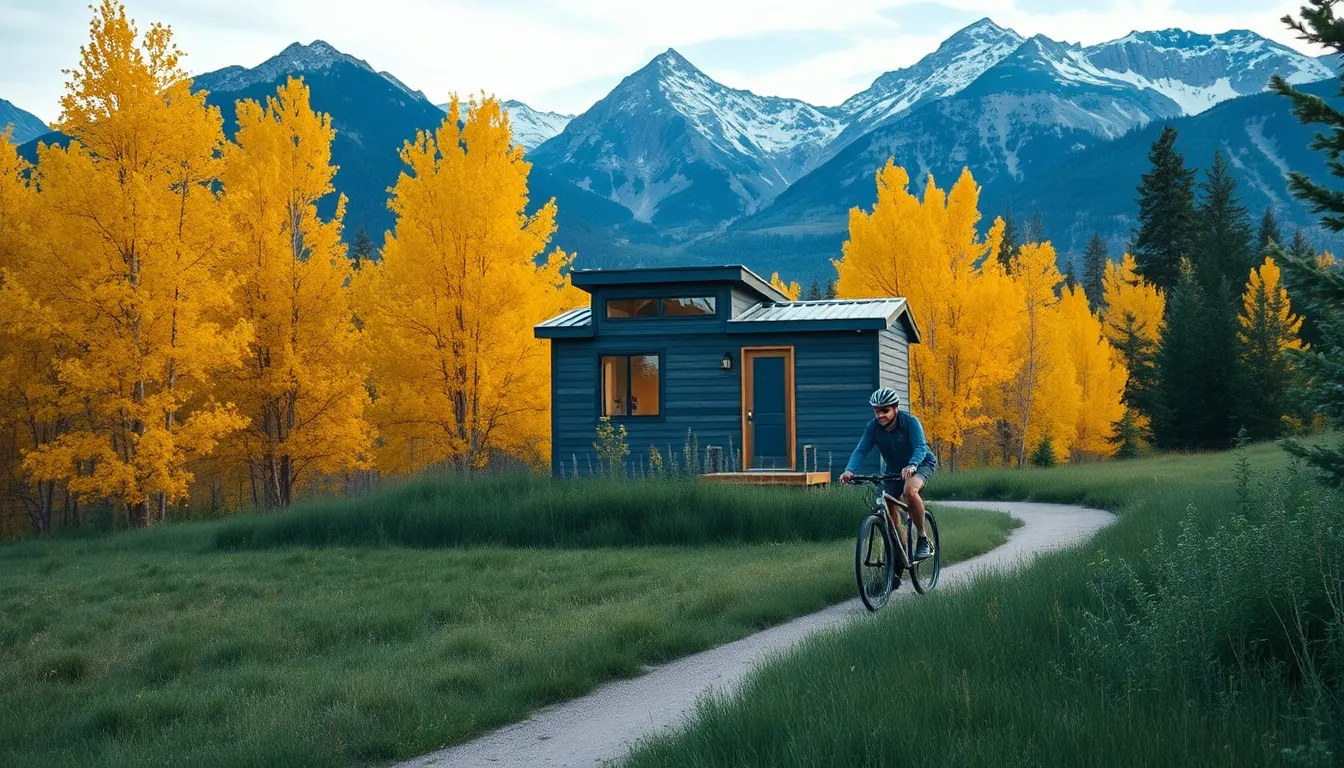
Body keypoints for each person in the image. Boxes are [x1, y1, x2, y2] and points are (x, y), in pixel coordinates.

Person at [839, 387, 937, 567]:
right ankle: (899, 557)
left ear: (895, 409)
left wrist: (913, 464)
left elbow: (920, 447)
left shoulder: (910, 422)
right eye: (877, 411)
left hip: (922, 463)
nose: (881, 415)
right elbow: (862, 449)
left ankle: (922, 538)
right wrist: (849, 470)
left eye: (885, 410)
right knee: (887, 507)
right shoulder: (873, 428)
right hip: (894, 469)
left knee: (909, 491)